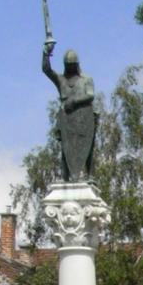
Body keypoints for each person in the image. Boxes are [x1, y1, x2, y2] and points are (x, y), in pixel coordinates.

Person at [42, 40, 97, 181]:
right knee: (66, 148)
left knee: (88, 146)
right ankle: (65, 176)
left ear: (77, 65)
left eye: (73, 66)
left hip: (84, 118)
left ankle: (90, 175)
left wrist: (74, 101)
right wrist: (46, 53)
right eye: (69, 66)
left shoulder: (86, 79)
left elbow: (90, 95)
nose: (71, 68)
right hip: (67, 118)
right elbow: (46, 70)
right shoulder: (61, 80)